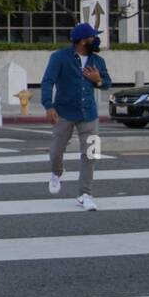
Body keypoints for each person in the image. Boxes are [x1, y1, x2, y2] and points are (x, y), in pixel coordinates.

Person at [41, 22, 112, 210]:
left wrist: (98, 80)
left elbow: (107, 83)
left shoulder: (98, 61)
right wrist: (48, 105)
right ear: (81, 41)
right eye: (92, 37)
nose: (95, 40)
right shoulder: (59, 57)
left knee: (91, 153)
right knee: (56, 151)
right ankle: (57, 172)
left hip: (89, 113)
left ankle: (85, 194)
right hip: (64, 112)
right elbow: (48, 81)